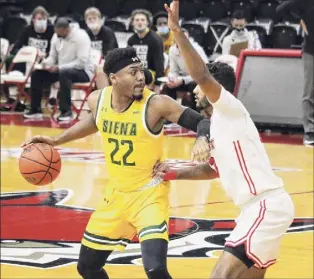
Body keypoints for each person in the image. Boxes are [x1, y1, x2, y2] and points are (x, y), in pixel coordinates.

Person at [22, 47, 210, 279]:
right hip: (116, 198)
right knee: (87, 268)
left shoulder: (157, 104)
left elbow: (203, 122)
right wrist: (56, 140)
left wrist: (201, 139)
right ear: (114, 78)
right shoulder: (97, 100)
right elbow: (95, 121)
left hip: (149, 197)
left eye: (141, 71)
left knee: (156, 270)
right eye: (133, 72)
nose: (141, 77)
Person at [161, 1, 295, 278]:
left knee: (218, 277)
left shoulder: (230, 109)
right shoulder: (218, 123)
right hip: (256, 209)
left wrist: (176, 30)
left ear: (212, 88)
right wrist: (173, 174)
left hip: (265, 205)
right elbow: (211, 170)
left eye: (200, 87)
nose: (195, 89)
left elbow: (201, 74)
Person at [23, 17, 94, 121]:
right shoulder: (56, 36)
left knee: (64, 73)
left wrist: (60, 67)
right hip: (62, 70)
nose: (57, 35)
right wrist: (44, 64)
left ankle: (66, 112)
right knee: (36, 74)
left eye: (59, 33)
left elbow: (81, 63)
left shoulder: (81, 37)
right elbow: (52, 57)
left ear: (66, 29)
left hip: (84, 72)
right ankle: (35, 109)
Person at [1, 6, 54, 112]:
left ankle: (52, 97)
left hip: (45, 59)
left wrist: (45, 55)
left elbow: (55, 50)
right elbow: (17, 47)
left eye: (44, 19)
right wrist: (27, 52)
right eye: (39, 19)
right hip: (28, 60)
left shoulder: (51, 31)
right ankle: (12, 96)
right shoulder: (27, 30)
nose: (41, 22)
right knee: (12, 59)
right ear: (33, 19)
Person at [276, 0, 314, 146]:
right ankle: (310, 131)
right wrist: (298, 20)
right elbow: (281, 9)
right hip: (311, 50)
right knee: (309, 91)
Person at [163, 28, 208, 110]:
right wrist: (172, 79)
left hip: (198, 79)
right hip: (182, 78)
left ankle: (196, 112)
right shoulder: (172, 50)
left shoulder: (197, 49)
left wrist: (183, 80)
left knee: (193, 86)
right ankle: (170, 113)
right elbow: (173, 70)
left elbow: (203, 72)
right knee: (168, 87)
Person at [128, 9, 164, 93]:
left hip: (150, 74)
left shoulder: (155, 39)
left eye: (142, 20)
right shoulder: (131, 40)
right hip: (135, 73)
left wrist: (158, 84)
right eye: (137, 20)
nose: (139, 22)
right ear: (132, 23)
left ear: (148, 22)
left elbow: (159, 62)